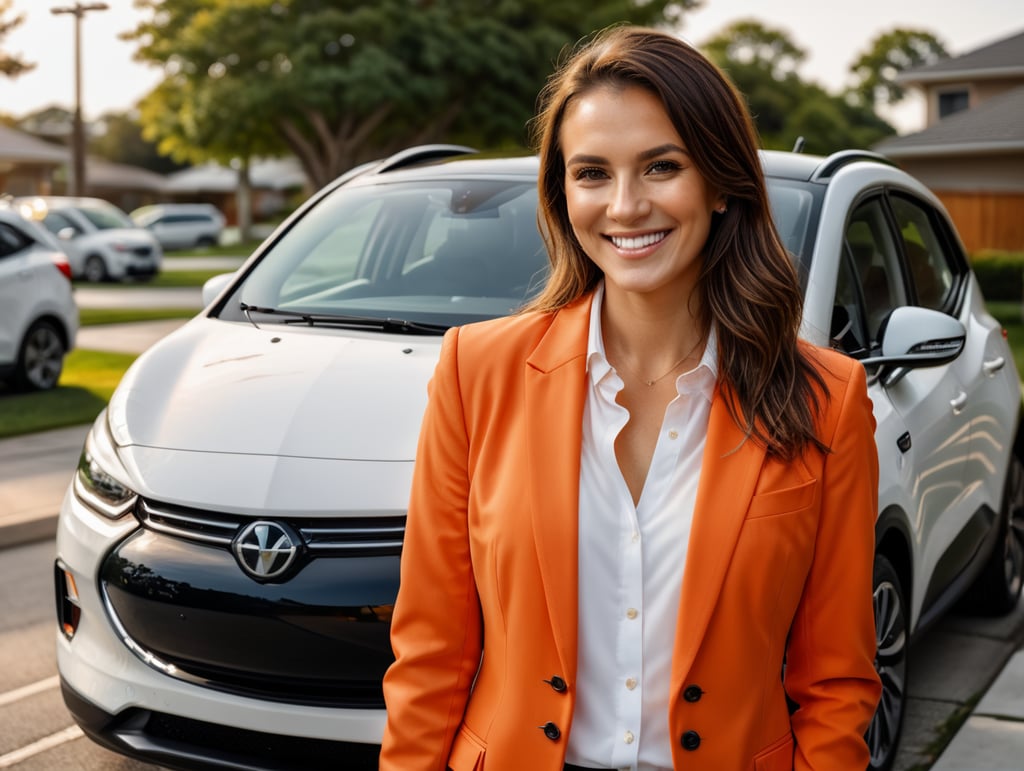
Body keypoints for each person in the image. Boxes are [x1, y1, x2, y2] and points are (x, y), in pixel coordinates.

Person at [380, 24, 881, 771]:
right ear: (562, 193)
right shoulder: (474, 370)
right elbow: (430, 650)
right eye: (591, 173)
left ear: (719, 183)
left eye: (660, 166)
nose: (625, 205)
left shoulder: (828, 398)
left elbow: (836, 680)